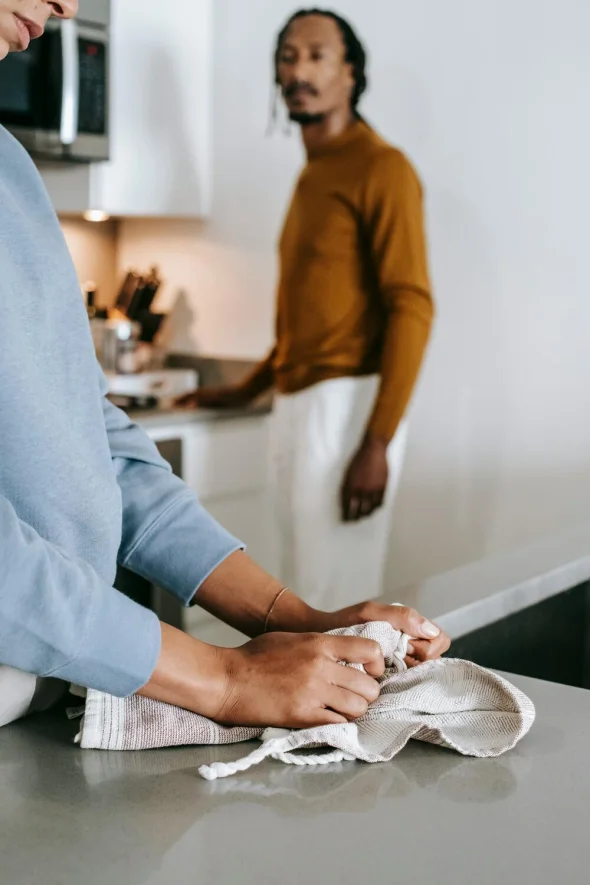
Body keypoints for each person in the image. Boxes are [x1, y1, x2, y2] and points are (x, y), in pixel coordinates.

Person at [0, 0, 449, 732]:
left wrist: (293, 619)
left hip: (47, 680)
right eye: (289, 56)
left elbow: (90, 431)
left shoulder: (14, 169)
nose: (68, 4)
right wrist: (226, 676)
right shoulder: (314, 177)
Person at [179, 9, 434, 611]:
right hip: (297, 407)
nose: (299, 70)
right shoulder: (313, 176)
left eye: (317, 55)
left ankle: (356, 708)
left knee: (338, 601)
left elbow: (412, 308)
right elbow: (309, 322)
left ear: (351, 72)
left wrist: (377, 443)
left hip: (348, 413)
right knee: (303, 596)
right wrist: (242, 390)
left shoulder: (381, 167)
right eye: (288, 56)